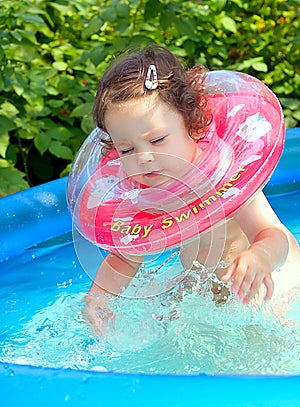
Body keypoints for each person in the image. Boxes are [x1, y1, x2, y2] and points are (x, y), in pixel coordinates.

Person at [83, 45, 300, 334]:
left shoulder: (226, 174)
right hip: (211, 287)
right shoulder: (145, 192)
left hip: (272, 277)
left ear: (194, 125)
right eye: (127, 148)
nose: (144, 157)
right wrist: (98, 300)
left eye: (157, 140)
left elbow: (273, 235)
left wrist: (259, 256)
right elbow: (125, 255)